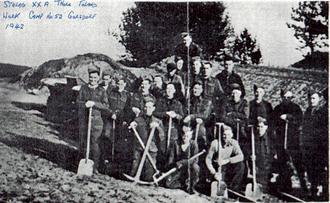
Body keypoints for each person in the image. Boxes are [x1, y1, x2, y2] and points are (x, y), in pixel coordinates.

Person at [77, 66, 109, 173]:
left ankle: (94, 167)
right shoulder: (83, 88)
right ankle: (83, 163)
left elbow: (106, 105)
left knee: (95, 143)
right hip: (85, 120)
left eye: (95, 77)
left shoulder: (102, 90)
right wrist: (84, 104)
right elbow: (78, 102)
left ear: (98, 78)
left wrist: (94, 104)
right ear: (88, 78)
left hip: (97, 121)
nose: (93, 79)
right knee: (84, 142)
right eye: (91, 77)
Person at [272, 90, 304, 191]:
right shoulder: (277, 108)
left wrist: (289, 117)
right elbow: (273, 121)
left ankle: (303, 184)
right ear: (281, 97)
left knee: (296, 162)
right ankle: (284, 184)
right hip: (281, 139)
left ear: (292, 98)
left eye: (289, 97)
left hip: (293, 140)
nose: (286, 99)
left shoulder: (296, 108)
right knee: (282, 162)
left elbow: (300, 120)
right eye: (284, 97)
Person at [129, 98, 165, 182]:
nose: (147, 109)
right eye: (145, 107)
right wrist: (132, 125)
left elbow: (162, 136)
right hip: (139, 147)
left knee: (149, 173)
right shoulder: (138, 119)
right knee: (134, 167)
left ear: (153, 108)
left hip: (151, 149)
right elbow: (131, 131)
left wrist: (158, 128)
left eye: (149, 107)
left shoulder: (158, 121)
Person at [101, 78, 132, 176]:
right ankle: (106, 160)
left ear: (125, 84)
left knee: (119, 140)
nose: (120, 85)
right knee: (107, 136)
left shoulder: (127, 96)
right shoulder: (111, 93)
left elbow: (128, 110)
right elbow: (106, 105)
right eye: (118, 83)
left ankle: (116, 163)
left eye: (122, 83)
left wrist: (125, 120)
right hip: (110, 119)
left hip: (120, 121)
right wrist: (111, 113)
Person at [301, 91, 328, 200]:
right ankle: (313, 190)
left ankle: (321, 191)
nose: (312, 101)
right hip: (309, 145)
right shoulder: (307, 111)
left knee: (319, 169)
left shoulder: (323, 112)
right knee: (310, 168)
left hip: (319, 146)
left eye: (314, 98)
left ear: (319, 99)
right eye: (310, 99)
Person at [248, 86, 273, 191]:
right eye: (256, 92)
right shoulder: (251, 104)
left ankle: (265, 180)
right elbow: (248, 117)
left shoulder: (267, 105)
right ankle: (256, 178)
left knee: (264, 155)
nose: (258, 94)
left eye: (260, 92)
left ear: (264, 93)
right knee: (254, 155)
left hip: (264, 133)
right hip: (253, 132)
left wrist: (264, 122)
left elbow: (271, 119)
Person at [205, 125, 244, 192]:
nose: (226, 137)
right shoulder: (215, 143)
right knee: (219, 184)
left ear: (232, 135)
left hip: (226, 165)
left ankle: (233, 189)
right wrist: (213, 172)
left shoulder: (234, 143)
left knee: (241, 165)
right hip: (217, 167)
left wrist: (228, 160)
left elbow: (241, 156)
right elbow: (208, 159)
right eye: (224, 134)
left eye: (228, 134)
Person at [166, 122, 200, 194]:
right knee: (168, 184)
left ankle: (191, 187)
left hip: (189, 169)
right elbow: (171, 158)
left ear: (191, 136)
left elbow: (195, 160)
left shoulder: (194, 144)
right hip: (178, 168)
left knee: (195, 167)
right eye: (184, 136)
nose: (185, 138)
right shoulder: (176, 143)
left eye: (187, 136)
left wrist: (182, 162)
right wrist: (170, 169)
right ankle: (183, 185)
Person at [154, 83, 184, 156]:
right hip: (162, 126)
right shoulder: (160, 101)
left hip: (173, 128)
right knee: (161, 146)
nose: (169, 90)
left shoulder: (178, 103)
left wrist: (175, 116)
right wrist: (166, 114)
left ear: (174, 91)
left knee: (172, 147)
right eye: (167, 89)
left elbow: (182, 117)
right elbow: (155, 113)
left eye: (171, 89)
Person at [184, 81, 213, 149]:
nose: (196, 90)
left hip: (205, 124)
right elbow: (185, 112)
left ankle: (201, 148)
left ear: (202, 90)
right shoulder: (190, 100)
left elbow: (205, 115)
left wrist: (192, 116)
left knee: (200, 130)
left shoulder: (207, 101)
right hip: (191, 123)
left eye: (198, 89)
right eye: (194, 88)